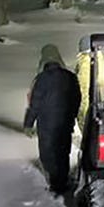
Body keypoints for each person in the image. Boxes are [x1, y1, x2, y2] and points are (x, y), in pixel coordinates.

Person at [24, 44, 81, 193]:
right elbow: (77, 99)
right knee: (63, 151)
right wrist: (72, 116)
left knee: (48, 152)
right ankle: (62, 180)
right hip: (65, 123)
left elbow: (34, 104)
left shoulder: (41, 79)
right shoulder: (70, 77)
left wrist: (28, 124)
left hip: (46, 124)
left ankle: (55, 182)